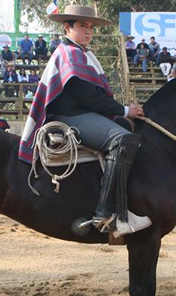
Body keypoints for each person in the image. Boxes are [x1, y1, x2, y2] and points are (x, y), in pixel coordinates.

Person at [18, 5, 149, 237]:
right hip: (69, 116)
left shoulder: (81, 52)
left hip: (80, 113)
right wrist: (124, 109)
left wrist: (122, 113)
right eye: (82, 26)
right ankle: (107, 214)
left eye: (91, 27)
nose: (89, 31)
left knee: (125, 128)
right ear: (67, 27)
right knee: (122, 139)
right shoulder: (69, 53)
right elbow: (87, 95)